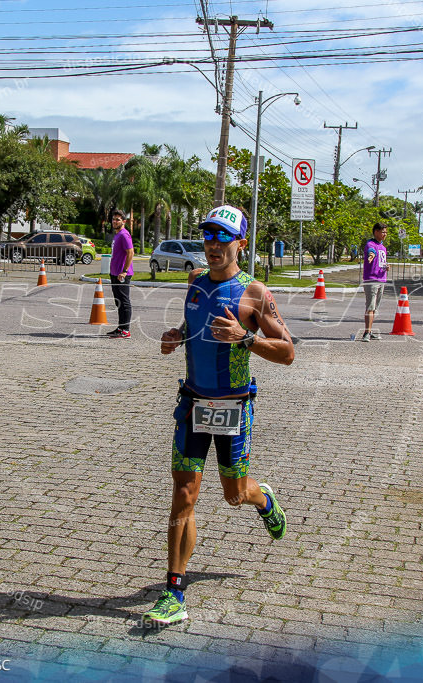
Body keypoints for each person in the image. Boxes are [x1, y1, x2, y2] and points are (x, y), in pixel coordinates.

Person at [144, 205, 295, 627]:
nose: (212, 244)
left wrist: (246, 339)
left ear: (240, 244)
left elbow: (287, 352)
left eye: (222, 237)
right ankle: (173, 591)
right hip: (193, 402)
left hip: (233, 408)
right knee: (184, 495)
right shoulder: (193, 282)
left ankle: (261, 498)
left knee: (234, 494)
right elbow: (191, 325)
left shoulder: (256, 293)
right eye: (208, 235)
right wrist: (176, 337)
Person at [106, 210, 134, 339]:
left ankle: (126, 330)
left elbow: (130, 252)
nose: (115, 222)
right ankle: (120, 327)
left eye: (117, 219)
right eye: (113, 219)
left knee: (124, 301)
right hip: (114, 273)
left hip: (122, 274)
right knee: (118, 302)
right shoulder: (117, 235)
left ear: (124, 221)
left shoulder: (124, 235)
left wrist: (124, 270)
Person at [361, 222, 388, 342]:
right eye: (383, 232)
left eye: (386, 232)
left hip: (381, 279)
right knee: (370, 307)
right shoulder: (370, 244)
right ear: (376, 232)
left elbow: (381, 261)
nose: (385, 234)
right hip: (372, 279)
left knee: (375, 307)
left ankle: (370, 331)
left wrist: (386, 267)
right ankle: (366, 332)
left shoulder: (383, 247)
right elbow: (372, 252)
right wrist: (370, 256)